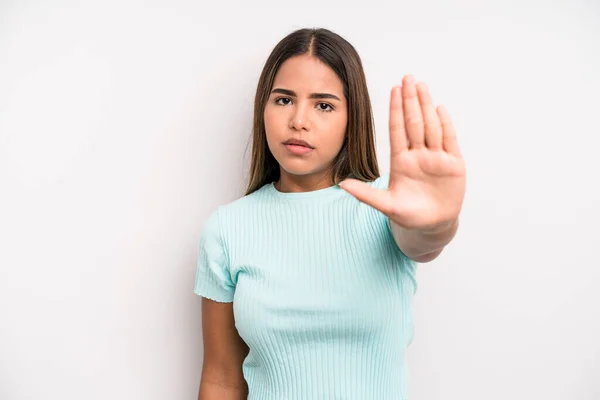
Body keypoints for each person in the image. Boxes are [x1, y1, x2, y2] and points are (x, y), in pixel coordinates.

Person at [194, 27, 466, 400]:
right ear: (264, 108)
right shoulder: (227, 230)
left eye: (324, 105)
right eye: (284, 100)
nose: (299, 120)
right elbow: (222, 379)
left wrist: (439, 222)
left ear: (351, 118)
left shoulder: (387, 206)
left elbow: (424, 240)